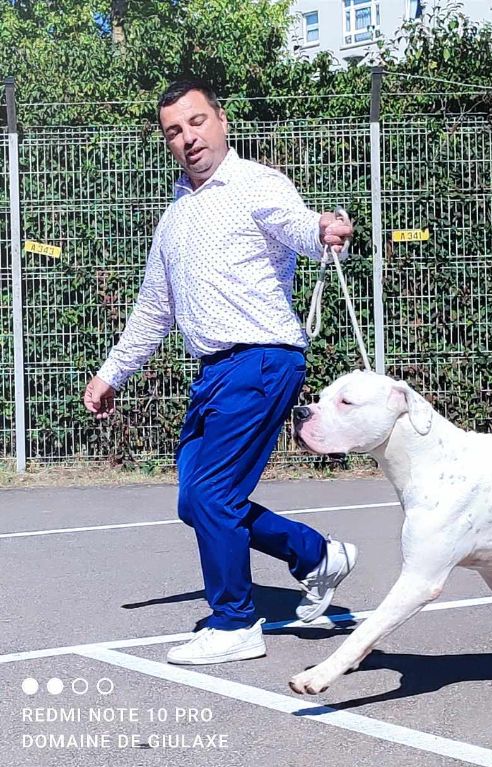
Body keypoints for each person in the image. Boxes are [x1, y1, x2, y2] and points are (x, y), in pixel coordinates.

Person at [83, 78, 358, 666]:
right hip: (213, 372)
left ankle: (235, 623)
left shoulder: (257, 182)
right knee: (198, 502)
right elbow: (154, 308)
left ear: (221, 121)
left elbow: (297, 225)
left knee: (212, 495)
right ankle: (316, 556)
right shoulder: (174, 218)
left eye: (196, 122)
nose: (188, 137)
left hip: (262, 358)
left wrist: (322, 230)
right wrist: (111, 374)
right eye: (174, 131)